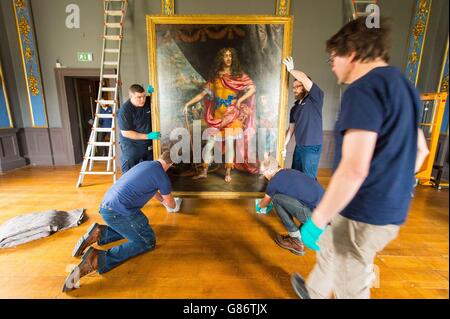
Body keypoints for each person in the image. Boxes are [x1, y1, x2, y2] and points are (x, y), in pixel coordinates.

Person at [290, 17, 430, 299]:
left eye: (333, 57)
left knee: (350, 281)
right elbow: (421, 151)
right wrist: (395, 187)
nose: (331, 64)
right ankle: (314, 291)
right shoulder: (404, 87)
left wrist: (316, 218)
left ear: (351, 52)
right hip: (386, 208)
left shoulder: (363, 89)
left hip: (366, 210)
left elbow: (353, 169)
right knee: (332, 243)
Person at [63, 152, 181, 292]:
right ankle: (97, 260)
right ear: (172, 163)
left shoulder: (146, 165)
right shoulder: (162, 177)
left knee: (139, 226)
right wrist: (174, 203)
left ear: (161, 157)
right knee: (146, 241)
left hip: (106, 206)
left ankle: (101, 233)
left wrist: (161, 199)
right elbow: (171, 204)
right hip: (118, 212)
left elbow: (153, 190)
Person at [183, 48, 258, 183]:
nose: (228, 58)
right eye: (225, 56)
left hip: (232, 116)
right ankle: (204, 171)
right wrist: (188, 104)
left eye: (230, 56)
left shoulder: (238, 75)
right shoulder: (216, 77)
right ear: (221, 59)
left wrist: (240, 100)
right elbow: (203, 94)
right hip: (217, 118)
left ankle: (228, 172)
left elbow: (253, 88)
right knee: (209, 144)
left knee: (229, 143)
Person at [257, 158, 324, 256]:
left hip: (316, 219)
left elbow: (264, 204)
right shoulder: (290, 171)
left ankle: (295, 240)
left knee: (276, 199)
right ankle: (305, 231)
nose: (263, 175)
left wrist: (258, 206)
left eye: (263, 172)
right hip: (327, 212)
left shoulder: (273, 182)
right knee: (288, 198)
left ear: (270, 170)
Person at [282, 57, 324, 180]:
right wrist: (283, 146)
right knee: (296, 175)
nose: (294, 90)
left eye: (297, 86)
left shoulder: (315, 98)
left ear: (305, 87)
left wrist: (291, 70)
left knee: (309, 179)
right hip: (299, 146)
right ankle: (298, 199)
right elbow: (290, 130)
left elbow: (304, 79)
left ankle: (313, 199)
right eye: (293, 87)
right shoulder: (294, 108)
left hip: (312, 146)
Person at [118, 84, 161, 174]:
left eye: (144, 96)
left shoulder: (147, 102)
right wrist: (148, 136)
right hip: (131, 145)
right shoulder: (125, 110)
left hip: (147, 144)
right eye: (139, 97)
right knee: (129, 173)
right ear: (131, 97)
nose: (142, 100)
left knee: (149, 170)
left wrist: (154, 93)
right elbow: (126, 133)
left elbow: (159, 98)